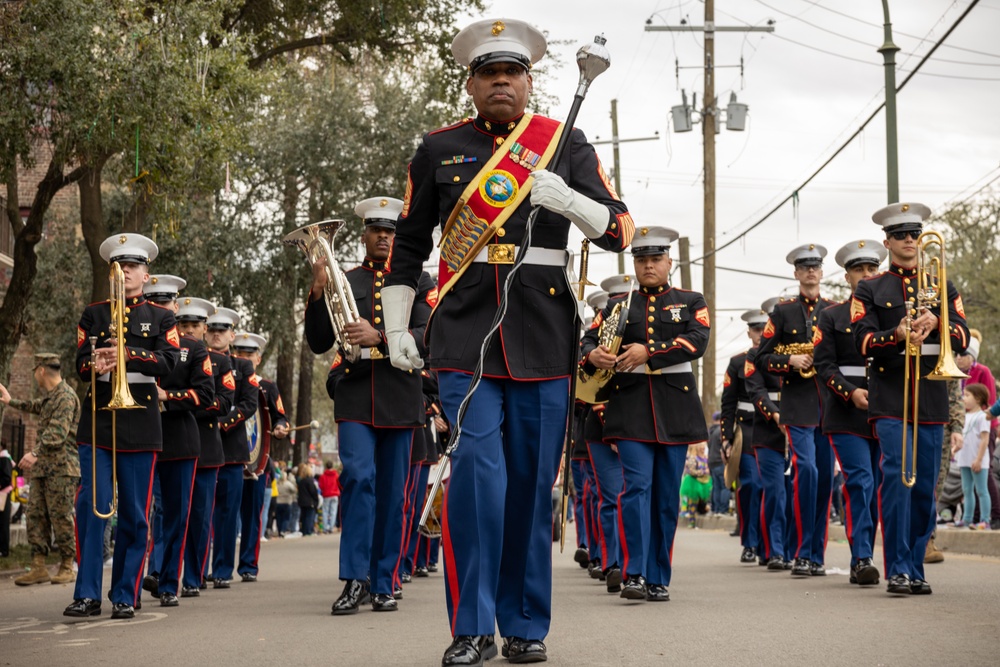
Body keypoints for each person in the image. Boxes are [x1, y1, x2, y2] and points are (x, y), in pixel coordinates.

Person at [382, 18, 632, 664]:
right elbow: (409, 247)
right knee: (476, 483)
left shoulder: (564, 142)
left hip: (544, 334)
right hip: (465, 334)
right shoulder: (438, 149)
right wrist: (395, 325)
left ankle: (524, 625)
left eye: (512, 73)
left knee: (528, 487)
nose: (501, 82)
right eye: (489, 73)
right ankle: (470, 626)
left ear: (528, 82)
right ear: (470, 84)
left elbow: (620, 231)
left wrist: (570, 200)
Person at [304, 195, 434, 615]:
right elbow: (320, 342)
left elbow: (427, 337)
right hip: (357, 394)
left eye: (391, 231)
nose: (384, 237)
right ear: (364, 236)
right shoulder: (349, 279)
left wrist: (380, 336)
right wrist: (318, 289)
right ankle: (354, 580)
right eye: (377, 230)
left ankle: (384, 582)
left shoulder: (418, 283)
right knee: (358, 480)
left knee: (394, 496)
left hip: (400, 396)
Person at [581, 227, 709, 604]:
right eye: (641, 260)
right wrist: (593, 355)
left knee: (666, 497)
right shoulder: (617, 304)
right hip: (630, 406)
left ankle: (658, 576)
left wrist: (649, 351)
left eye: (655, 259)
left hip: (675, 408)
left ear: (670, 262)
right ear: (634, 264)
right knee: (635, 490)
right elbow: (588, 339)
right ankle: (634, 573)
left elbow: (697, 340)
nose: (649, 265)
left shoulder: (690, 300)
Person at [852, 202, 969, 595]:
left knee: (924, 489)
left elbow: (965, 336)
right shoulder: (871, 288)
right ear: (887, 241)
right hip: (890, 396)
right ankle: (897, 567)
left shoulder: (943, 286)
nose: (909, 241)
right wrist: (897, 335)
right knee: (897, 479)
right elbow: (862, 341)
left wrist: (940, 322)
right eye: (900, 235)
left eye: (914, 234)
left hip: (932, 396)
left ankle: (916, 566)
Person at [66, 233, 180, 619]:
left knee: (135, 513)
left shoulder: (162, 317)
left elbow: (170, 364)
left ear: (146, 274)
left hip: (141, 421)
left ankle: (124, 594)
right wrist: (96, 362)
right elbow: (80, 365)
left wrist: (127, 355)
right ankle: (86, 593)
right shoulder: (93, 314)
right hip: (97, 420)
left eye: (133, 266)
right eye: (120, 266)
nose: (126, 271)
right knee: (91, 507)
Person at [756, 244, 836, 577]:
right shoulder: (783, 312)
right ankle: (802, 552)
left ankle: (816, 554)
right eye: (804, 267)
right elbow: (762, 357)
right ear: (796, 274)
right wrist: (789, 360)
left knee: (825, 481)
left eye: (815, 266)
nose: (811, 272)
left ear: (821, 271)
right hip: (798, 403)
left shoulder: (834, 310)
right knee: (808, 472)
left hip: (831, 404)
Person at [813, 239, 887, 586]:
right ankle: (862, 557)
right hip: (846, 411)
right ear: (847, 277)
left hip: (886, 408)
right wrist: (850, 392)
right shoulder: (831, 316)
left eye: (872, 269)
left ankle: (870, 551)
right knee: (861, 481)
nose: (867, 275)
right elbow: (824, 366)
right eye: (860, 269)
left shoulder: (892, 314)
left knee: (879, 484)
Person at [142, 276, 215, 606]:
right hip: (140, 436)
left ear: (174, 306)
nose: (162, 309)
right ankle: (150, 576)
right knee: (146, 513)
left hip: (179, 440)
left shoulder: (194, 349)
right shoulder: (135, 339)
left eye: (166, 303)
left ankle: (169, 581)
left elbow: (206, 394)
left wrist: (167, 396)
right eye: (154, 302)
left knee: (178, 515)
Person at [1, 354, 81, 584]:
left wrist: (34, 453)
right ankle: (38, 565)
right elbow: (33, 406)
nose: (34, 374)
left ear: (41, 371)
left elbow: (57, 433)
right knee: (35, 515)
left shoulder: (66, 396)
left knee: (60, 516)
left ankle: (67, 564)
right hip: (44, 469)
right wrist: (10, 401)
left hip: (62, 468)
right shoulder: (51, 397)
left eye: (35, 370)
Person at [174, 297, 233, 598]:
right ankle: (164, 573)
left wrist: (183, 402)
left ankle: (193, 578)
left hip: (206, 448)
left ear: (203, 328)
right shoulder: (168, 354)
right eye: (182, 324)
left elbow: (224, 402)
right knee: (170, 514)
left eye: (193, 325)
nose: (187, 329)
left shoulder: (221, 362)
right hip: (174, 443)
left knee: (199, 517)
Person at [206, 307, 258, 589]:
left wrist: (220, 424)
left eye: (222, 330)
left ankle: (222, 569)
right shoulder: (195, 360)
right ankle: (198, 570)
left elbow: (249, 404)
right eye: (212, 329)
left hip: (231, 450)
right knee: (201, 512)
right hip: (201, 446)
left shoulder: (243, 367)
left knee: (227, 514)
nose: (217, 334)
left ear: (231, 334)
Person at [232, 332, 289, 583]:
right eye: (239, 354)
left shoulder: (267, 386)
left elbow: (280, 417)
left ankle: (248, 566)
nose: (243, 358)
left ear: (258, 358)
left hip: (258, 461)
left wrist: (281, 428)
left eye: (248, 355)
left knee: (252, 515)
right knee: (222, 513)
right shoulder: (226, 381)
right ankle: (216, 567)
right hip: (230, 457)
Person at [745, 296, 793, 570]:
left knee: (792, 494)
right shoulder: (755, 356)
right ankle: (774, 550)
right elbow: (756, 391)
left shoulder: (799, 349)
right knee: (774, 493)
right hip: (768, 430)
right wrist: (777, 415)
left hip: (799, 425)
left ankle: (791, 549)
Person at [720, 308, 768, 564]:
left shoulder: (779, 358)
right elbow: (727, 404)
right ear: (749, 332)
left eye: (764, 328)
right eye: (756, 329)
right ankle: (750, 542)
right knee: (751, 486)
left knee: (772, 488)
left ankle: (770, 544)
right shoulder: (737, 362)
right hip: (747, 430)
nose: (760, 334)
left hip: (775, 427)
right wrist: (726, 439)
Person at [954, 383, 991, 529]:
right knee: (966, 490)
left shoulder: (983, 417)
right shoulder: (963, 416)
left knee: (981, 490)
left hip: (978, 460)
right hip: (964, 459)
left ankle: (985, 520)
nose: (964, 398)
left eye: (967, 395)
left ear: (978, 398)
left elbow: (984, 439)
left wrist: (979, 459)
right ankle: (967, 519)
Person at [680, 442, 712, 527]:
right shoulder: (693, 458)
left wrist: (707, 472)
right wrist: (703, 472)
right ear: (697, 448)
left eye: (704, 447)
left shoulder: (706, 458)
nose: (703, 448)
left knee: (704, 501)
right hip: (693, 482)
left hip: (704, 482)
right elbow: (691, 471)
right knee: (693, 502)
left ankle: (700, 515)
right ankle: (692, 522)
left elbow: (708, 468)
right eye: (701, 447)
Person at [707, 412, 728, 516]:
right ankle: (723, 509)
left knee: (716, 486)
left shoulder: (710, 431)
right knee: (725, 486)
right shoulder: (720, 431)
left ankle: (715, 508)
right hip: (720, 461)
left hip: (711, 462)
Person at [296, 463, 319, 535]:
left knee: (304, 517)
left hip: (302, 501)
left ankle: (304, 530)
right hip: (310, 502)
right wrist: (316, 500)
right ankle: (309, 531)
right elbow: (313, 492)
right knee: (310, 517)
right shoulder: (310, 481)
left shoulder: (301, 481)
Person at [318, 460, 341, 534]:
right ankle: (331, 527)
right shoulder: (336, 475)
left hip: (326, 495)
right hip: (335, 494)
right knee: (333, 511)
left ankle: (325, 528)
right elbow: (339, 483)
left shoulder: (323, 476)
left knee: (325, 511)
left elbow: (321, 486)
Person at [274, 467, 297, 536]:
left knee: (279, 517)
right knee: (286, 517)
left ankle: (279, 530)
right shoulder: (288, 484)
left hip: (278, 502)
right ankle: (283, 530)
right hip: (287, 502)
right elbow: (294, 490)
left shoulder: (277, 484)